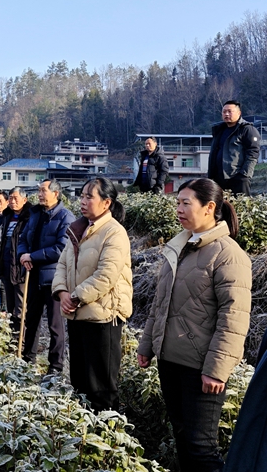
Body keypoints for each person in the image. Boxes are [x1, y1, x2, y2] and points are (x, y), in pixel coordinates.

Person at [137, 178, 251, 472]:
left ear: (209, 207)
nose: (179, 209)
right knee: (183, 438)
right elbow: (160, 302)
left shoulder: (228, 254)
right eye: (177, 202)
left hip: (201, 368)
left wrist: (216, 370)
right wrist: (147, 345)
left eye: (186, 203)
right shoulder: (180, 247)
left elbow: (234, 317)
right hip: (170, 360)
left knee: (201, 447)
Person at [53, 178, 132, 411]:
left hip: (103, 316)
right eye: (82, 196)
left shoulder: (114, 232)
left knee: (101, 387)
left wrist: (75, 297)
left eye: (89, 197)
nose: (83, 201)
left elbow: (106, 275)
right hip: (78, 314)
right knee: (80, 381)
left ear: (106, 203)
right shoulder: (79, 229)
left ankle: (107, 431)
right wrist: (62, 293)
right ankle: (84, 429)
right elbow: (62, 264)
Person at [18, 180, 75, 374]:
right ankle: (28, 359)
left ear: (56, 193)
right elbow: (23, 239)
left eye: (43, 191)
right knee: (31, 319)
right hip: (33, 275)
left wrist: (32, 256)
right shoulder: (35, 214)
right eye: (39, 191)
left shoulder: (65, 217)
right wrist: (23, 255)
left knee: (55, 324)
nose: (40, 194)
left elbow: (61, 248)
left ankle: (55, 366)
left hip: (54, 279)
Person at [207, 100, 261, 196]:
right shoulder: (219, 130)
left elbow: (253, 153)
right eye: (224, 112)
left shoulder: (247, 129)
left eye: (230, 111)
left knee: (241, 204)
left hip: (237, 177)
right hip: (218, 178)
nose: (226, 114)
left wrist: (244, 175)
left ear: (239, 113)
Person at [0, 187, 32, 331]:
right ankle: (12, 334)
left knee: (21, 304)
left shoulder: (30, 216)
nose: (12, 201)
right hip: (6, 264)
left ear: (24, 200)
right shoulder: (7, 216)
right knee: (10, 304)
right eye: (10, 198)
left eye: (15, 198)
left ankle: (21, 336)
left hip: (20, 266)